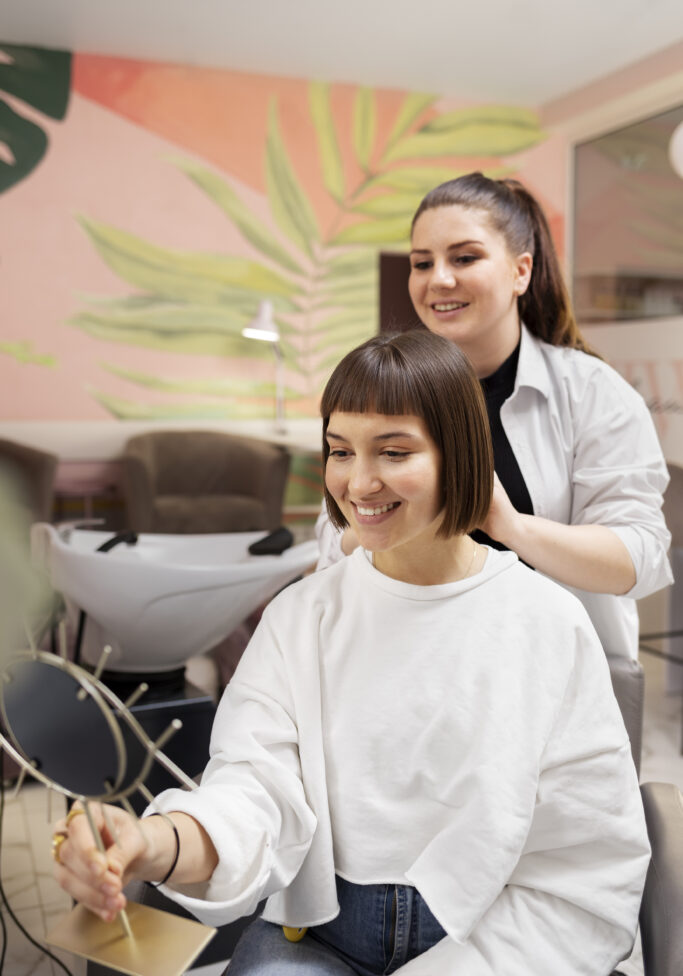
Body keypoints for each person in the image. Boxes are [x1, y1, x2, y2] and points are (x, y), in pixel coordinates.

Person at [53, 331, 649, 975]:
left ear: (460, 455)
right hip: (319, 936)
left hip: (495, 937)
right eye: (340, 451)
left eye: (394, 451)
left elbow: (586, 858)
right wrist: (153, 841)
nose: (359, 483)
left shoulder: (547, 624)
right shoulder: (301, 617)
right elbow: (254, 791)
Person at [316, 173, 672, 660]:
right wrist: (379, 518)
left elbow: (640, 557)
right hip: (408, 654)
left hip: (550, 664)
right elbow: (331, 539)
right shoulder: (385, 384)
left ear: (521, 271)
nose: (439, 279)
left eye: (464, 258)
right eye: (422, 263)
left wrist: (510, 526)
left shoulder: (591, 391)